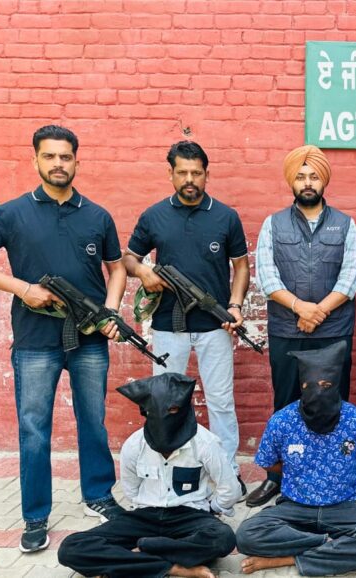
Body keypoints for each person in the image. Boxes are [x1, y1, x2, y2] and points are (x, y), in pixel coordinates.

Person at [0, 125, 125, 552]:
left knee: (93, 420)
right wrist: (22, 288)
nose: (58, 164)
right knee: (34, 430)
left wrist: (111, 311)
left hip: (89, 339)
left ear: (76, 161)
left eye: (65, 157)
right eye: (49, 156)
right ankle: (35, 515)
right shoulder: (10, 214)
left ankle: (98, 495)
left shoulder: (97, 216)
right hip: (34, 340)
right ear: (35, 160)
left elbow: (117, 269)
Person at [123, 140, 250, 497]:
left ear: (207, 174)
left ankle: (228, 472)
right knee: (164, 403)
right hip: (168, 327)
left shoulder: (225, 216)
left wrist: (235, 305)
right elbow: (128, 258)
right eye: (183, 172)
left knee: (221, 402)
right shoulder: (154, 216)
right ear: (171, 174)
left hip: (214, 327)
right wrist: (144, 272)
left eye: (197, 173)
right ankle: (164, 473)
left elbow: (241, 266)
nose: (190, 179)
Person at [249, 144, 356, 508]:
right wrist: (300, 308)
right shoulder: (273, 224)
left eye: (314, 176)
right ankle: (279, 479)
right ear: (291, 181)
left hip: (334, 333)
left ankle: (335, 480)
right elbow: (267, 276)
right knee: (286, 404)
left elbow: (351, 277)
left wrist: (318, 312)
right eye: (301, 176)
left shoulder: (345, 224)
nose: (308, 182)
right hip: (287, 329)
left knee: (333, 405)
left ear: (324, 180)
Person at [235, 341, 356, 576]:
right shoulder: (283, 420)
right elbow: (269, 462)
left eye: (325, 385)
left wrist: (346, 471)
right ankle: (331, 545)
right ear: (301, 385)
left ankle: (288, 558)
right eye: (309, 386)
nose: (317, 392)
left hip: (345, 506)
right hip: (295, 506)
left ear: (336, 383)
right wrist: (296, 472)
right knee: (246, 535)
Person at [58, 373, 238, 578]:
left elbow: (230, 490)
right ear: (146, 411)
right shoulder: (134, 445)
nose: (165, 417)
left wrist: (211, 509)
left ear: (184, 409)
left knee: (223, 538)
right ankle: (173, 567)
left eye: (172, 410)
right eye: (156, 410)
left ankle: (140, 553)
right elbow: (131, 492)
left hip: (189, 516)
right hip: (144, 517)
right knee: (71, 548)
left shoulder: (205, 442)